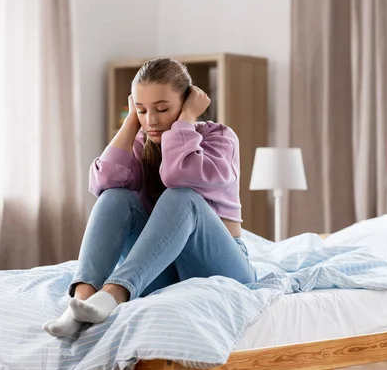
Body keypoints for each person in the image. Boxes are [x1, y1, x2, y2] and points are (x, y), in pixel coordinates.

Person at [43, 58, 256, 338]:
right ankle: (80, 302)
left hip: (221, 268)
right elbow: (102, 182)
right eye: (142, 109)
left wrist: (187, 121)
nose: (151, 121)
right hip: (162, 269)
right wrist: (132, 122)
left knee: (182, 197)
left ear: (186, 102)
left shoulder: (219, 138)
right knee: (115, 196)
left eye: (163, 108)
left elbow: (179, 176)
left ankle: (114, 294)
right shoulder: (143, 141)